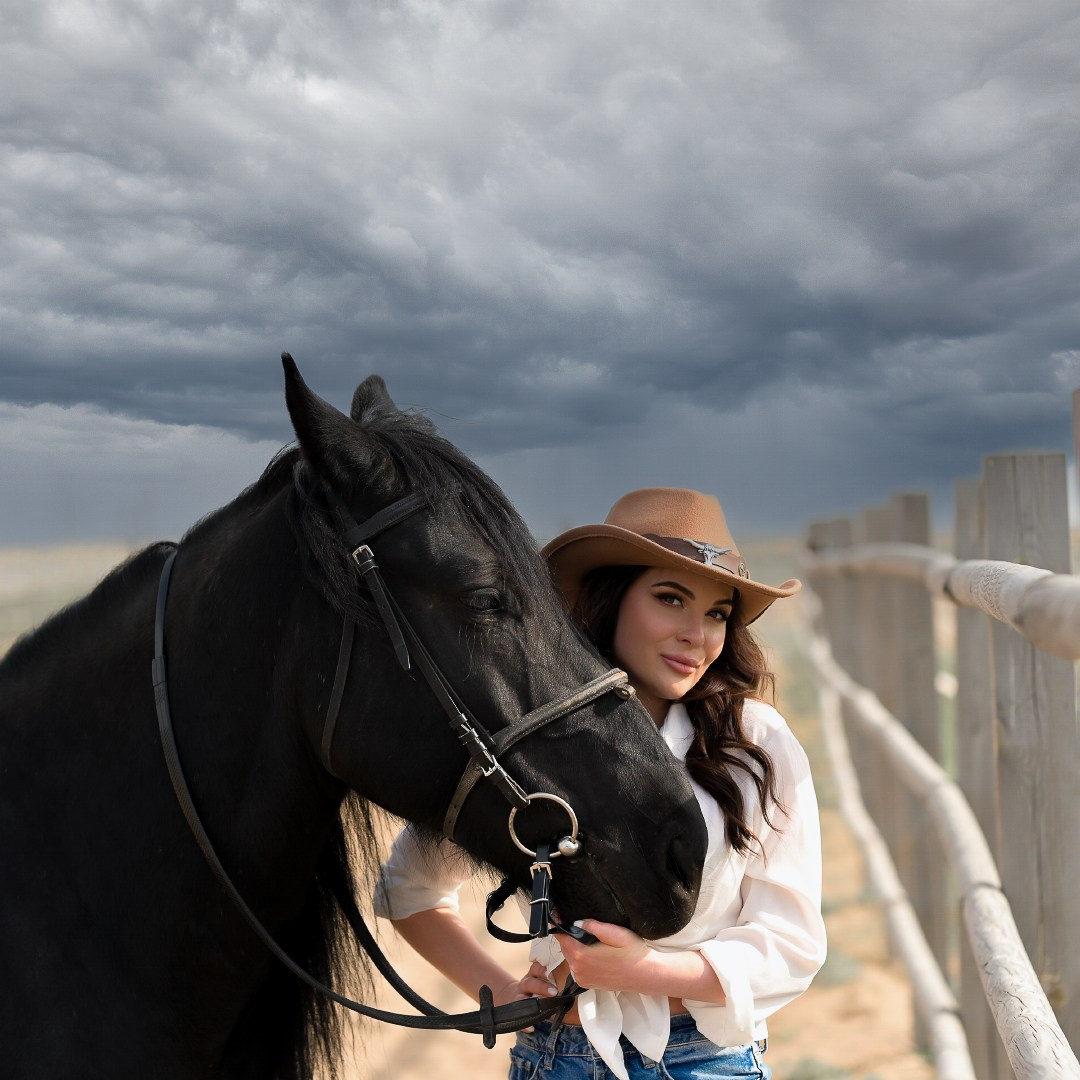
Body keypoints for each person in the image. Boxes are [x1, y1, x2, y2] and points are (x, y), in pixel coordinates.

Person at [374, 488, 826, 1080]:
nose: (700, 635)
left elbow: (790, 943)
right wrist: (501, 992)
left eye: (718, 612)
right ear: (610, 598)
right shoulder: (531, 745)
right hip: (553, 1058)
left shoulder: (751, 743)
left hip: (704, 1063)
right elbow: (410, 889)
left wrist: (645, 972)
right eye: (671, 598)